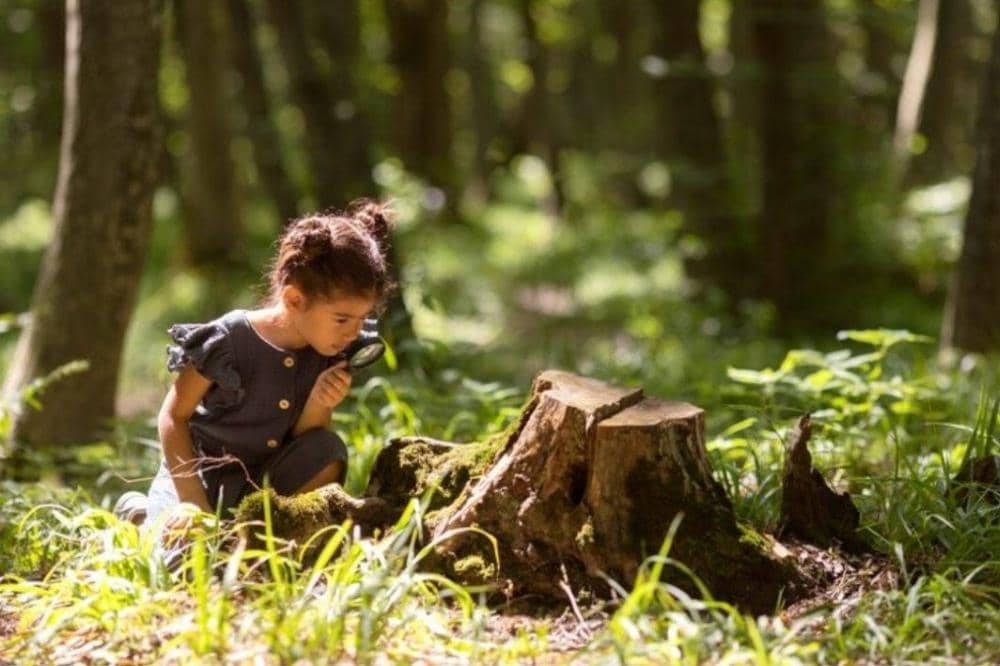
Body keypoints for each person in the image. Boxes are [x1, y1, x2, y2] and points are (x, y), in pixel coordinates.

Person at [113, 199, 394, 532]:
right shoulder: (229, 340)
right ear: (293, 300)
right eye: (342, 318)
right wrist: (192, 502)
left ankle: (270, 532)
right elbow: (173, 416)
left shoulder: (330, 347)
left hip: (264, 482)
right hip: (200, 479)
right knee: (186, 550)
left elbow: (304, 441)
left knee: (326, 449)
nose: (353, 332)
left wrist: (320, 402)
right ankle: (141, 514)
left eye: (362, 319)